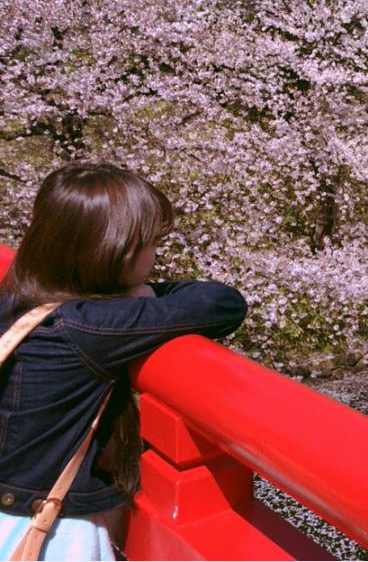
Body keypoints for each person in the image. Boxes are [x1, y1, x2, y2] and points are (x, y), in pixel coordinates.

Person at [0, 163, 247, 560]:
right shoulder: (89, 327)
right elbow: (224, 303)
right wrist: (146, 294)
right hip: (50, 530)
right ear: (115, 251)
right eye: (150, 244)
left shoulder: (16, 300)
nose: (155, 254)